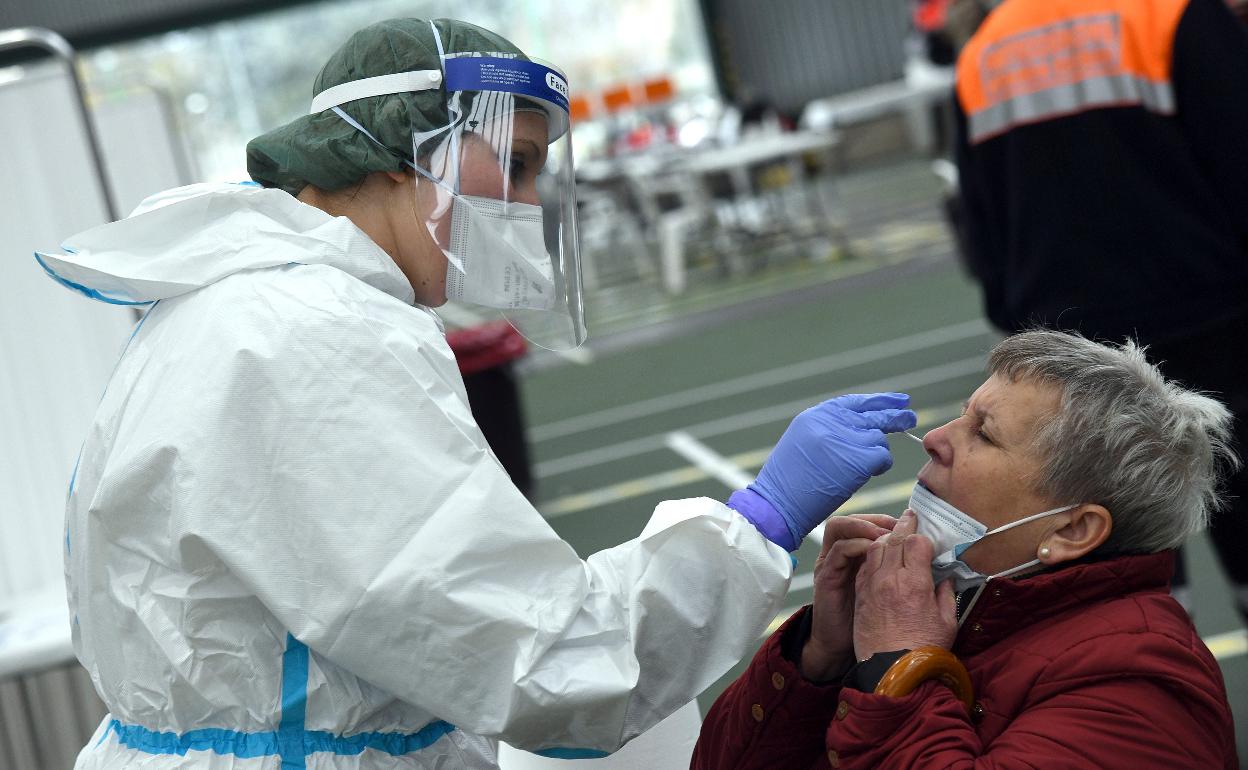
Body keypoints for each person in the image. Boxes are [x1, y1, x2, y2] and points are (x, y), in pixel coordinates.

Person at [33, 18, 919, 770]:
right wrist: (758, 523)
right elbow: (540, 659)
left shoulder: (247, 298)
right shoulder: (314, 334)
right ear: (388, 155)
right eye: (517, 165)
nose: (529, 203)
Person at [692, 329, 1239, 769]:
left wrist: (898, 664)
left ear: (1072, 531)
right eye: (962, 415)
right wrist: (822, 658)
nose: (935, 437)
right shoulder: (969, 606)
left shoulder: (1139, 682)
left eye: (984, 433)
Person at [952, 0, 1248, 620]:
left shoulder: (986, 53)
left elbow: (980, 224)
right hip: (1211, 314)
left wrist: (1021, 315)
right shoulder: (1171, 14)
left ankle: (1152, 687)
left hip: (1072, 349)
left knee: (1125, 559)